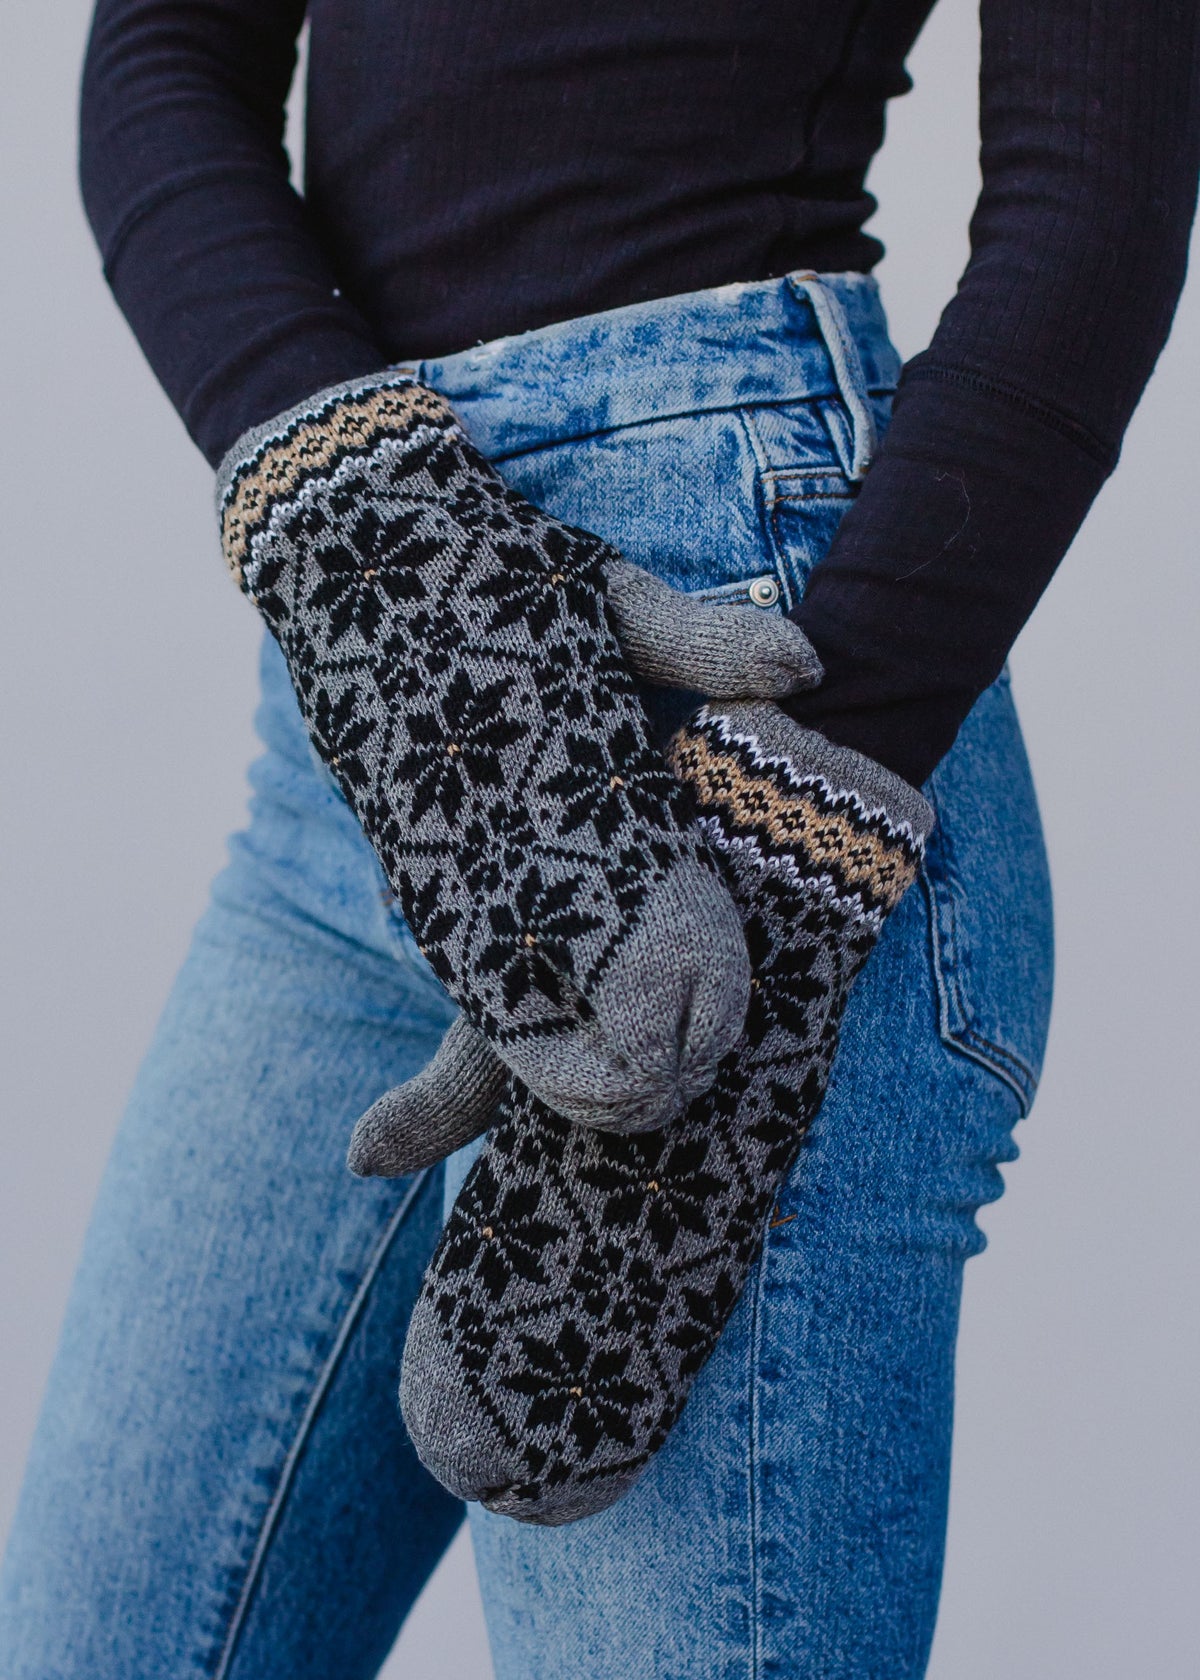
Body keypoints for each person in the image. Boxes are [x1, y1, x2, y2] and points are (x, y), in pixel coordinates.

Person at [1, 0, 1196, 1674]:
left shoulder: (781, 817)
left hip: (770, 717)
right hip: (370, 706)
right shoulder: (392, 620)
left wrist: (786, 849)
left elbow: (1097, 199)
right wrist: (394, 572)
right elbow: (160, 57)